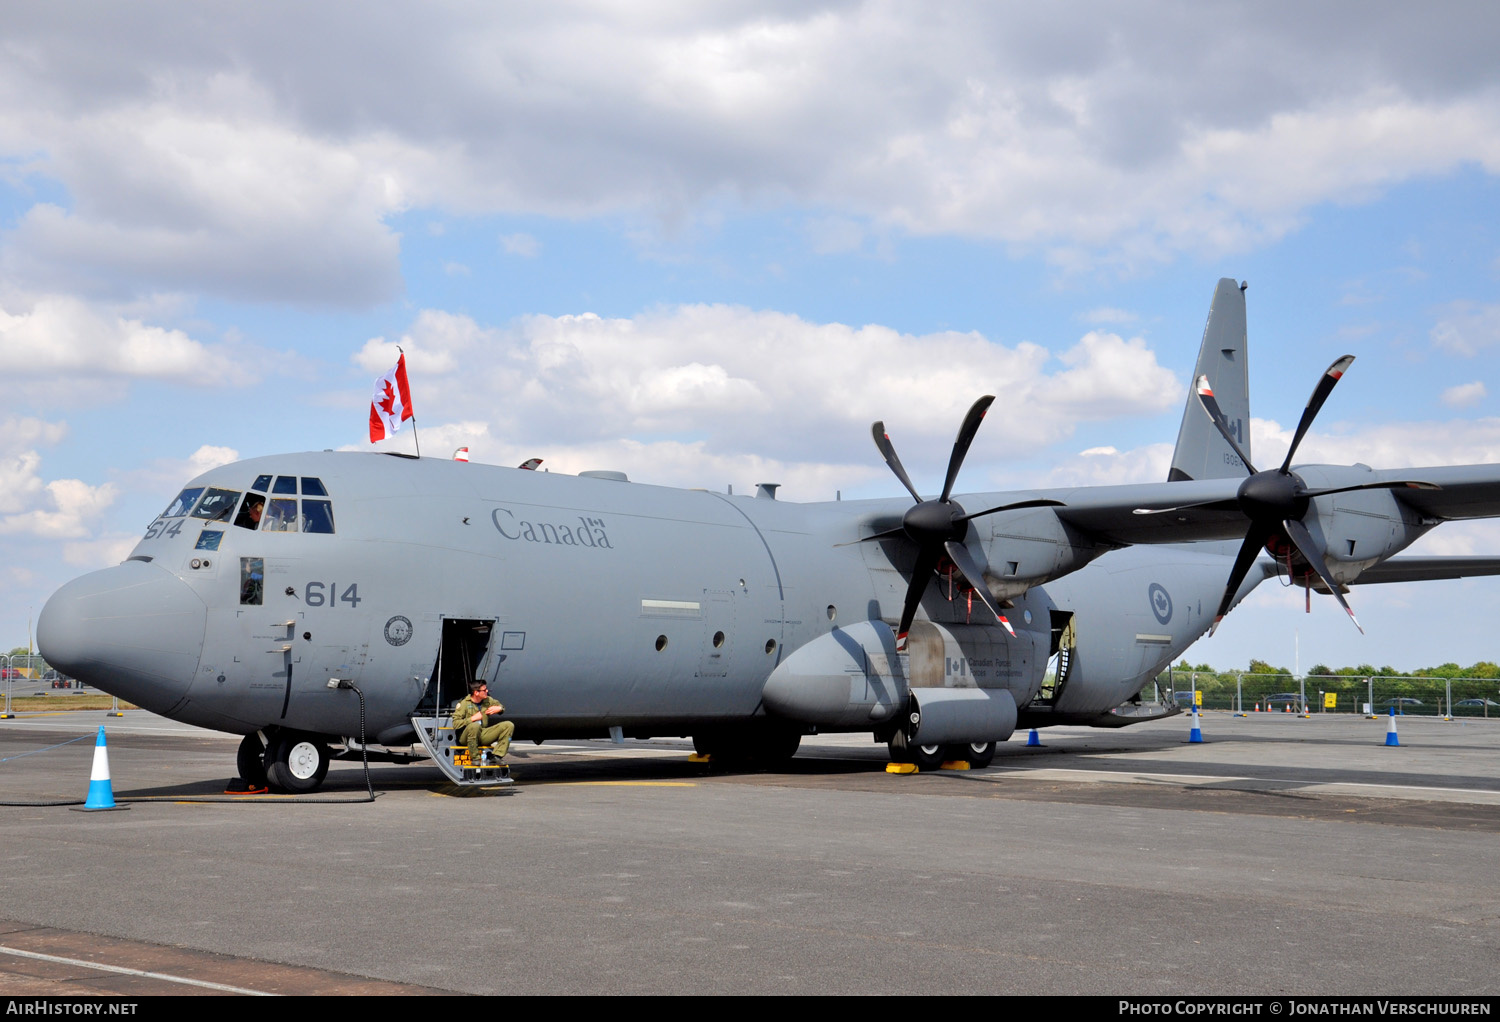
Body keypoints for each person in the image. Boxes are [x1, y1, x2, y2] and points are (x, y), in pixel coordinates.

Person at [452, 679, 513, 767]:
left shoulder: (488, 700)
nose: (487, 691)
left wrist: (499, 708)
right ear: (476, 692)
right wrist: (472, 718)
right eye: (484, 690)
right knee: (474, 726)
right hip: (466, 736)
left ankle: (497, 756)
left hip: (482, 733)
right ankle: (475, 758)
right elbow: (456, 723)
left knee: (508, 725)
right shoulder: (464, 704)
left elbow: (500, 706)